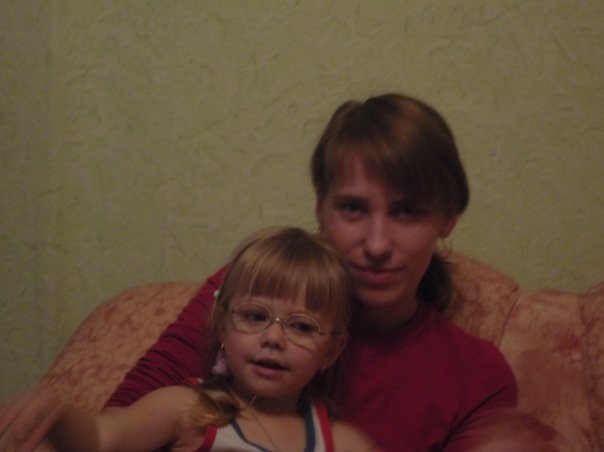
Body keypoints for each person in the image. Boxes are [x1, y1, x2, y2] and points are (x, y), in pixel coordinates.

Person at [1, 93, 562, 451]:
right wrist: (57, 416)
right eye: (353, 208)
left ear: (448, 217)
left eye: (408, 211)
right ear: (320, 209)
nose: (376, 244)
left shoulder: (475, 376)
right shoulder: (254, 290)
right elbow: (119, 426)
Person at [0, 227, 377, 451]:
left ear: (332, 350)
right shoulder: (186, 410)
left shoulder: (344, 444)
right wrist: (59, 414)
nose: (274, 337)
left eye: (301, 327)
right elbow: (101, 439)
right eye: (255, 316)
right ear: (222, 325)